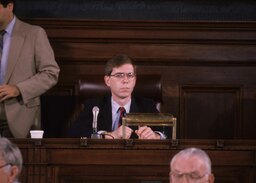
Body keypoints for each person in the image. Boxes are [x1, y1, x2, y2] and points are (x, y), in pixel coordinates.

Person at [68, 54, 166, 139]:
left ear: (135, 80)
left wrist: (156, 135)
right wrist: (108, 136)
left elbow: (168, 131)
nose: (125, 80)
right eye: (119, 75)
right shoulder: (94, 105)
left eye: (130, 75)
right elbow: (75, 132)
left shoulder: (146, 105)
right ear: (107, 81)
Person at [0, 0, 60, 138]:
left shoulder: (34, 34)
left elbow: (51, 73)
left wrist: (18, 89)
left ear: (9, 6)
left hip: (20, 118)